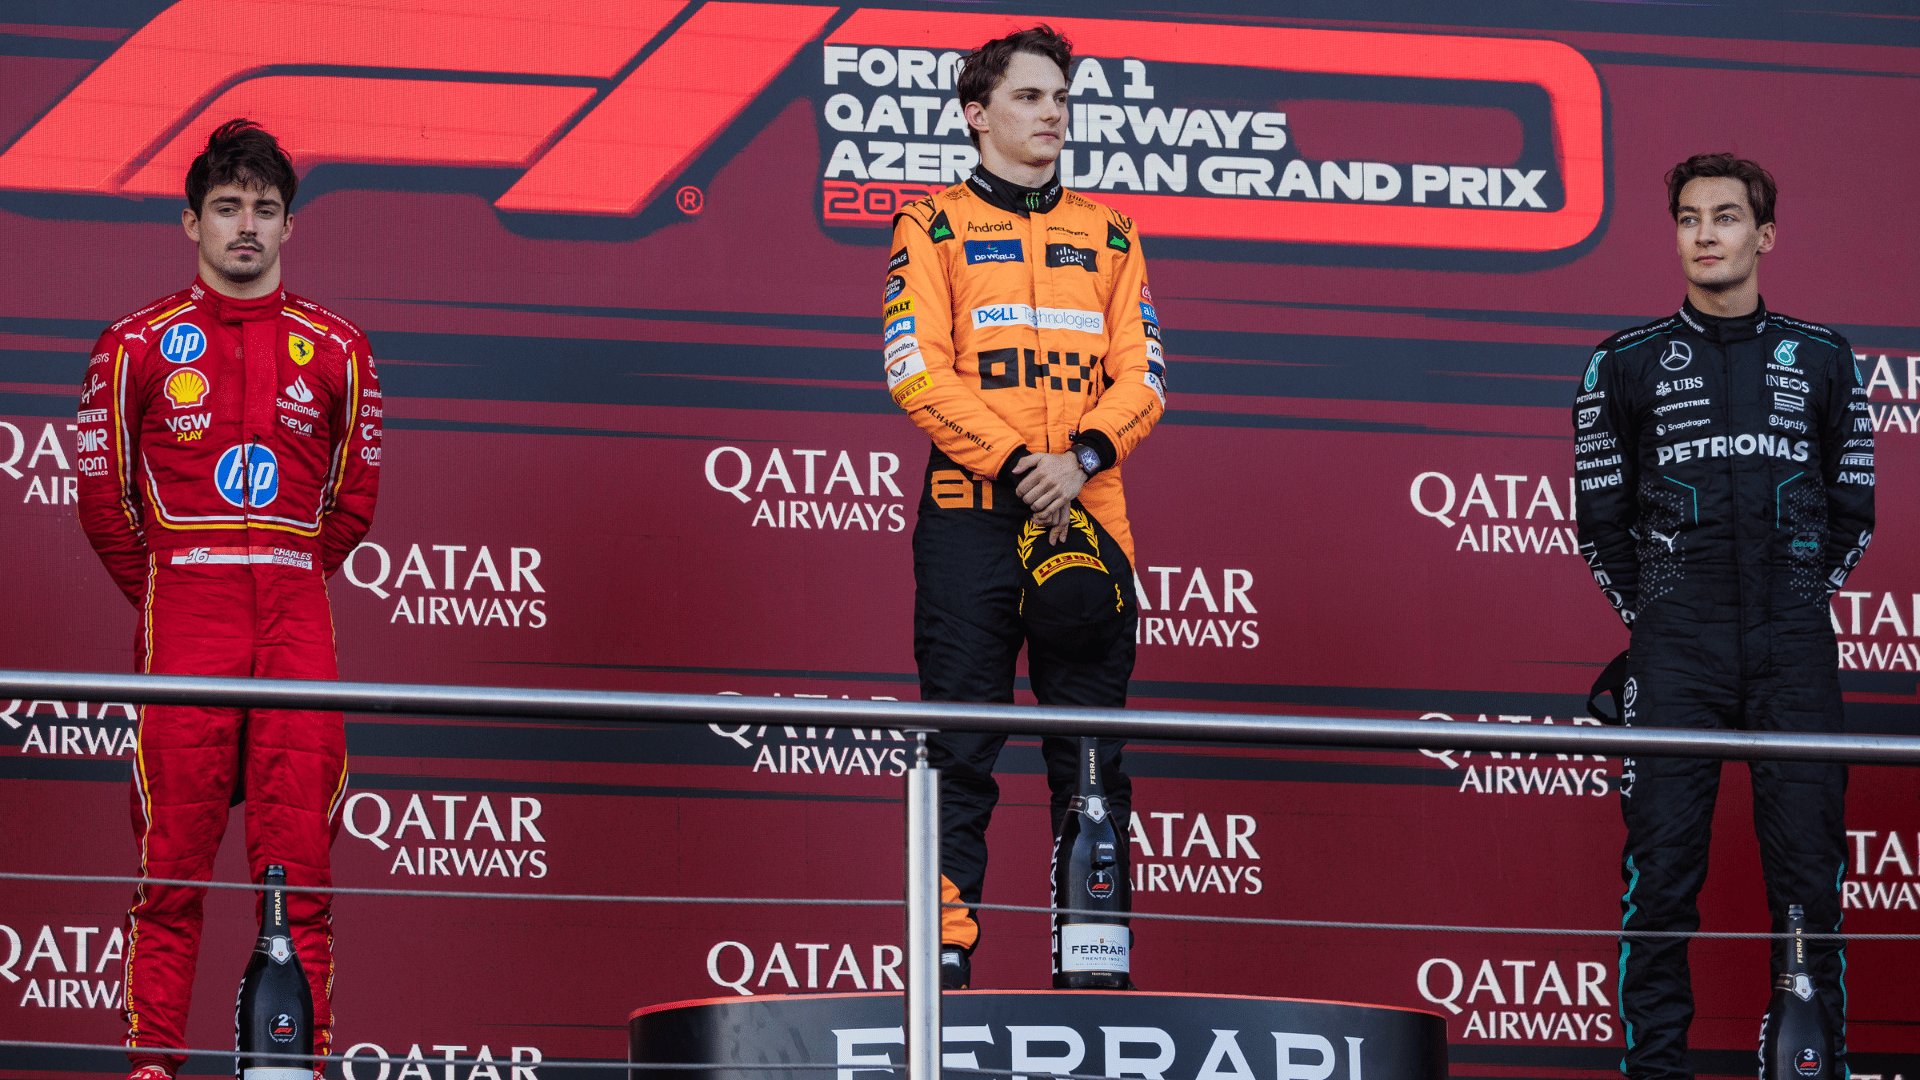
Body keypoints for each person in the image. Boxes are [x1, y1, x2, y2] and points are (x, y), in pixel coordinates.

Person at [76, 119, 381, 1080]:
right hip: (187, 622)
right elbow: (104, 506)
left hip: (296, 625)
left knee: (302, 877)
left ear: (289, 226)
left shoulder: (338, 348)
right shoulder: (133, 345)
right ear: (191, 222)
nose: (245, 226)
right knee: (169, 872)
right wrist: (179, 589)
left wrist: (274, 578)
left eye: (264, 208)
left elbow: (352, 506)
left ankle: (297, 1068)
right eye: (226, 207)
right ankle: (151, 1067)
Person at [1574, 153, 1872, 1080]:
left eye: (1727, 217)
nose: (1705, 234)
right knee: (1661, 879)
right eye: (1689, 218)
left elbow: (1855, 511)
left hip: (1793, 648)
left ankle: (1811, 1065)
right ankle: (1656, 1073)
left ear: (1764, 235)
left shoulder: (1823, 357)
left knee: (1809, 886)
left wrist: (1796, 600)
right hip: (1677, 651)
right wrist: (1661, 618)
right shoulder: (1621, 363)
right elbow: (1600, 523)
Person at [882, 25, 1166, 989]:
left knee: (1092, 758)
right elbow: (915, 369)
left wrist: (1079, 458)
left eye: (1062, 99)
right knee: (958, 748)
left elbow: (1145, 375)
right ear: (978, 114)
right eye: (1031, 97)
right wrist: (1017, 463)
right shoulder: (932, 226)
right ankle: (945, 963)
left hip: (1088, 518)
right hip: (971, 518)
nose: (1053, 114)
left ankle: (1094, 966)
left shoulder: (1111, 232)